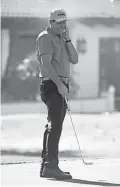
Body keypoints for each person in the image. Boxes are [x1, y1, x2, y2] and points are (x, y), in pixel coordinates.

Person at [36, 8, 78, 180]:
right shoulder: (45, 37)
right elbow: (46, 65)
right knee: (55, 126)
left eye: (65, 22)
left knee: (53, 125)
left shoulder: (62, 37)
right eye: (60, 22)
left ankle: (46, 166)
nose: (63, 25)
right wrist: (60, 84)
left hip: (60, 84)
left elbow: (74, 59)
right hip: (51, 84)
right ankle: (50, 166)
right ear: (51, 22)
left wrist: (68, 39)